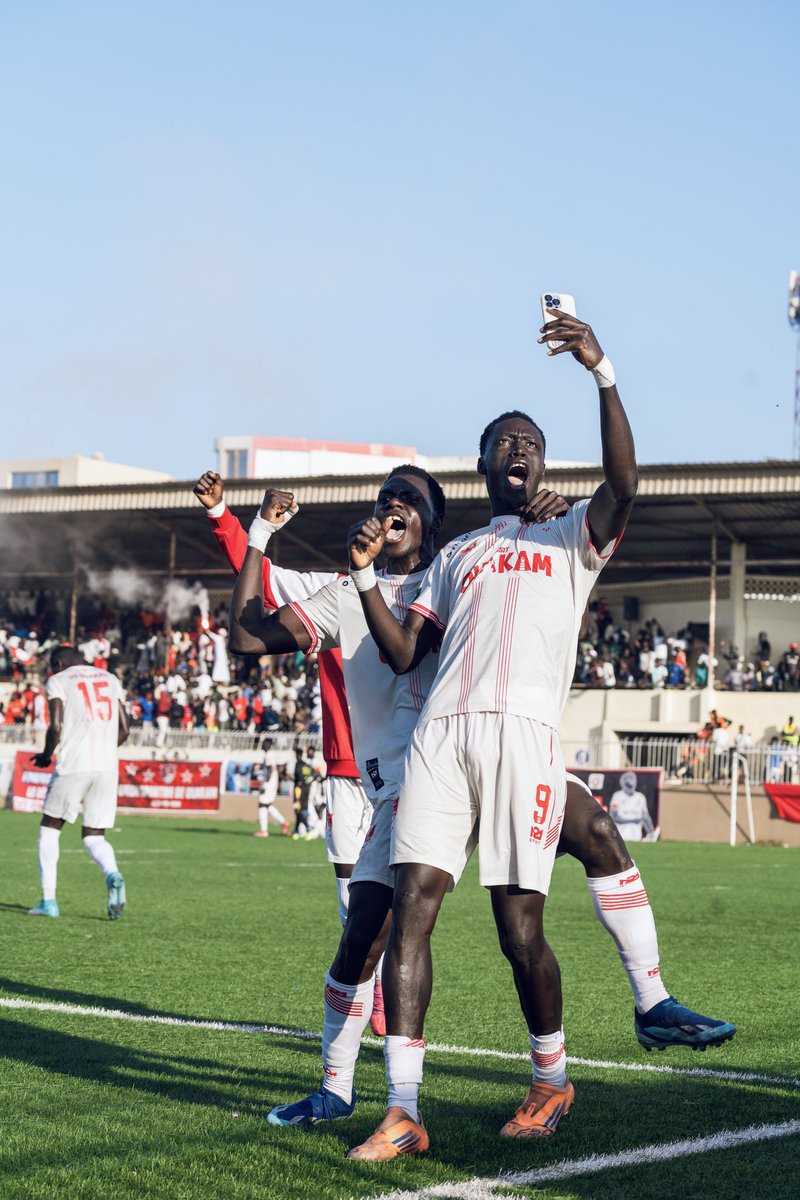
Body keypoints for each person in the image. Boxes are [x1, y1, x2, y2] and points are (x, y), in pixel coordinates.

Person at [347, 308, 733, 1160]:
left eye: (531, 442)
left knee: (519, 931)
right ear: (485, 462)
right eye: (503, 442)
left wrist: (602, 369)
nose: (518, 451)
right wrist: (368, 577)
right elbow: (405, 649)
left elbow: (625, 485)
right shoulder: (457, 557)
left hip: (523, 739)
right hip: (442, 739)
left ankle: (552, 1077)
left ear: (546, 464)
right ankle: (403, 1108)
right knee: (412, 913)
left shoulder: (571, 536)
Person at [28, 644, 129, 920]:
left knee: (50, 828)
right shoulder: (109, 678)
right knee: (94, 835)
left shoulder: (59, 680)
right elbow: (125, 727)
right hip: (107, 767)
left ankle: (49, 901)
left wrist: (47, 754)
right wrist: (106, 750)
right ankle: (113, 873)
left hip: (74, 764)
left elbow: (56, 726)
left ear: (58, 663)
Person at [608, 772, 655, 841]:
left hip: (636, 835)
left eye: (632, 785)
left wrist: (651, 832)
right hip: (621, 835)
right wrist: (632, 820)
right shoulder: (617, 796)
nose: (630, 787)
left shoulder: (640, 797)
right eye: (628, 785)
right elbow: (613, 817)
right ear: (623, 784)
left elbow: (645, 817)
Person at [254, 754, 287, 837]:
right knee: (267, 805)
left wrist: (265, 785)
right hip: (271, 786)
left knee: (262, 803)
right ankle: (283, 822)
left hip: (268, 786)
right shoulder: (275, 771)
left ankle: (264, 831)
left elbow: (269, 771)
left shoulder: (270, 763)